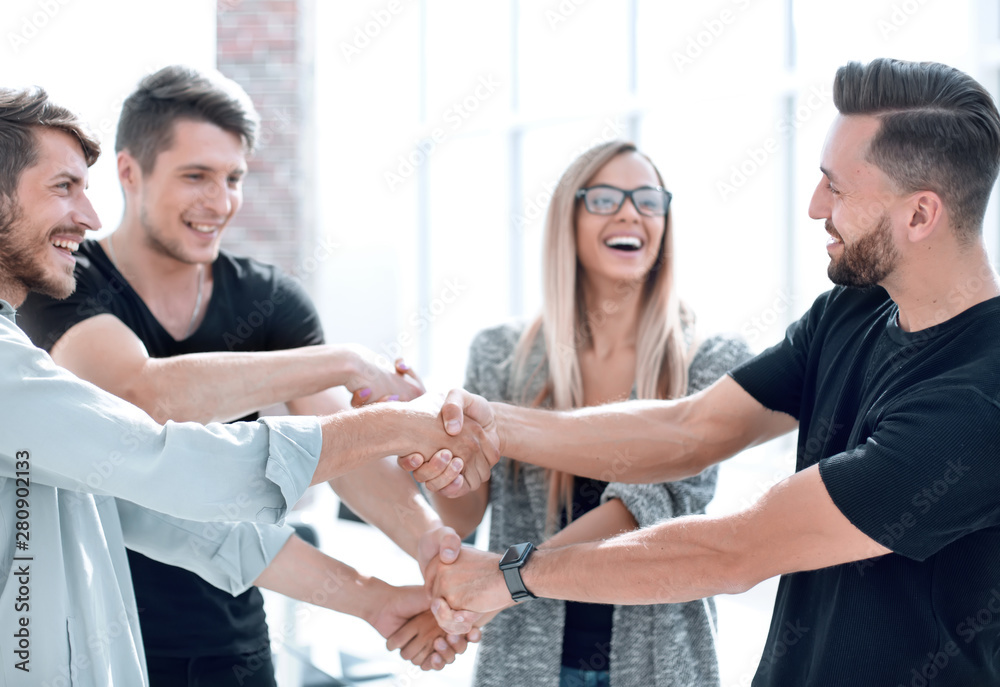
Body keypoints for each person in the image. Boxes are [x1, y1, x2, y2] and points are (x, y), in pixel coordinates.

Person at [412, 58, 1000, 686]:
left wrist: (513, 575)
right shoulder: (852, 311)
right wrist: (490, 425)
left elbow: (735, 550)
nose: (813, 207)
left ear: (919, 216)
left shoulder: (976, 406)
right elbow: (691, 427)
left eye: (837, 188)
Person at [0, 86, 491, 686]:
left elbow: (174, 519)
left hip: (223, 647)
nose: (90, 214)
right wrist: (368, 395)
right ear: (134, 172)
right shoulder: (50, 312)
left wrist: (402, 577)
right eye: (63, 187)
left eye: (233, 177)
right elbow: (152, 435)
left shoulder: (267, 298)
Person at [426, 140, 750, 687]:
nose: (630, 212)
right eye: (604, 199)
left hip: (658, 665)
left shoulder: (712, 360)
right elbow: (463, 517)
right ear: (567, 221)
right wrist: (434, 454)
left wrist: (506, 583)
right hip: (523, 665)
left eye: (648, 200)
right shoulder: (498, 355)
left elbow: (646, 508)